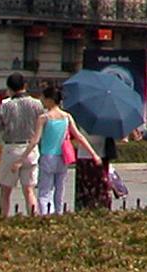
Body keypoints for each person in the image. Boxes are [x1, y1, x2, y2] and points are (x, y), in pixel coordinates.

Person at [36, 81, 102, 214]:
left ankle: (45, 215)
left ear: (49, 100)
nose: (41, 100)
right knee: (60, 190)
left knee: (45, 191)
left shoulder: (44, 118)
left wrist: (21, 159)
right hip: (63, 157)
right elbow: (79, 137)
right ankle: (59, 214)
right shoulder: (66, 117)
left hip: (47, 156)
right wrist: (94, 154)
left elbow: (34, 141)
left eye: (43, 98)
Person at [0, 72, 45, 217]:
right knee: (29, 190)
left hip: (12, 148)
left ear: (9, 88)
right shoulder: (37, 104)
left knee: (5, 190)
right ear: (25, 86)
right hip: (30, 148)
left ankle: (2, 219)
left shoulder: (5, 106)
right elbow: (42, 125)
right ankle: (33, 218)